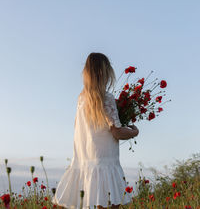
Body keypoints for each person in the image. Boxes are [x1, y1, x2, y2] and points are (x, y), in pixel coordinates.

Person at [52, 53, 139, 209]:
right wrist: (134, 132)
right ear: (104, 73)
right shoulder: (107, 98)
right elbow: (117, 132)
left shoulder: (82, 99)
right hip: (105, 163)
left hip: (85, 162)